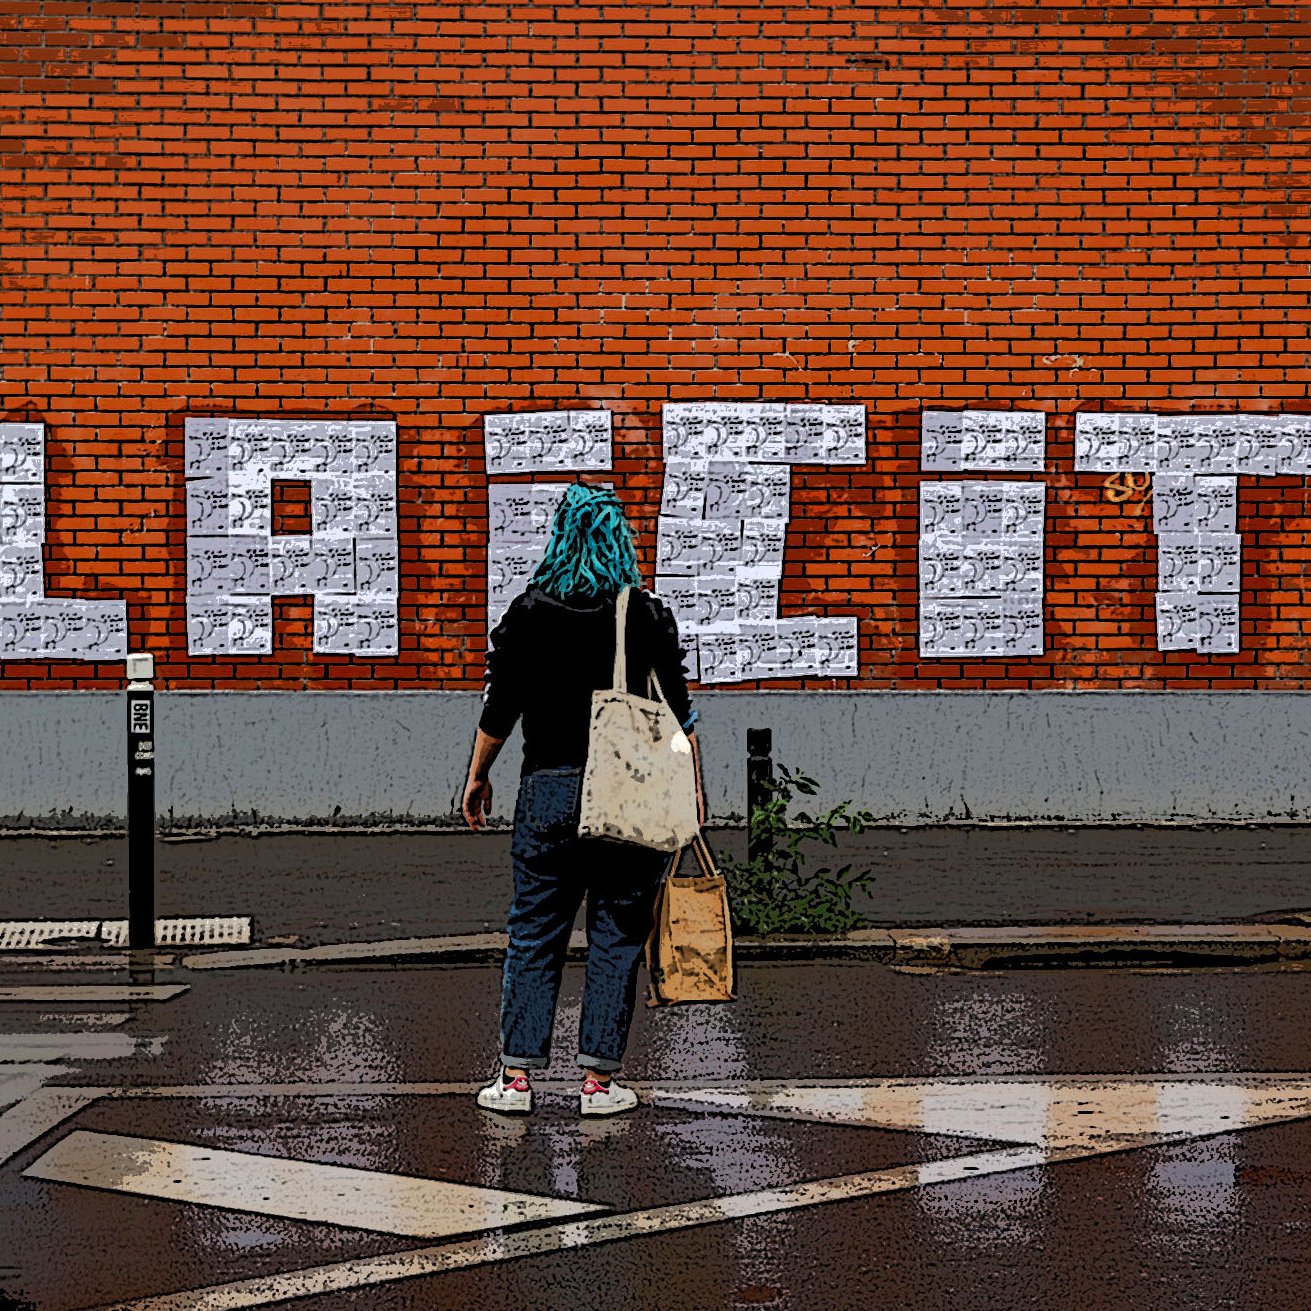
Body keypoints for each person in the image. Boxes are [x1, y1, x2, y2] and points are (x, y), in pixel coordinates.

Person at [463, 481, 705, 1118]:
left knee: (534, 932)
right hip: (627, 793)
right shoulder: (645, 615)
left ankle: (515, 1080)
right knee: (617, 934)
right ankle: (598, 1082)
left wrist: (477, 775)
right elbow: (680, 715)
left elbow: (500, 707)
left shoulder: (528, 614)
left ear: (560, 537)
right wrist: (692, 793)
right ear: (619, 540)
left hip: (548, 789)